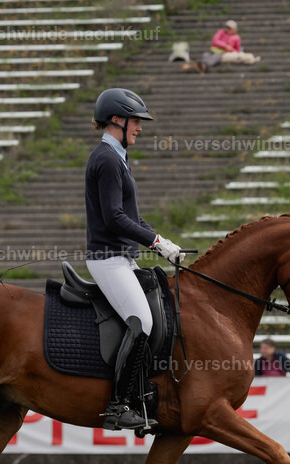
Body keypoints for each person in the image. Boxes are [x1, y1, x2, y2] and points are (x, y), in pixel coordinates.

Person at [85, 87, 184, 431]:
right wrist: (155, 241)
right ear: (117, 120)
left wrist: (161, 242)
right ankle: (118, 406)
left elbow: (132, 217)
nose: (140, 128)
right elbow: (113, 218)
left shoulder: (119, 157)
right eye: (136, 121)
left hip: (122, 257)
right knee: (141, 320)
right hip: (108, 258)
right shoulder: (107, 159)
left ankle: (142, 397)